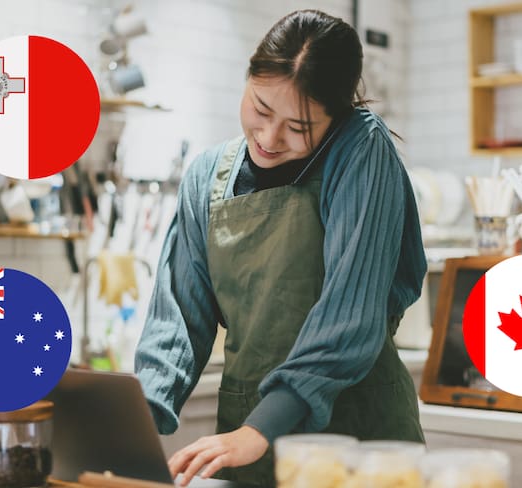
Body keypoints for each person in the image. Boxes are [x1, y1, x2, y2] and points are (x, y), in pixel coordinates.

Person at [135, 9, 427, 487]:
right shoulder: (206, 175)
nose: (270, 138)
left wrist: (261, 427)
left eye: (299, 126)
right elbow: (179, 321)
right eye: (261, 109)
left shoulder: (360, 149)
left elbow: (348, 318)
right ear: (248, 78)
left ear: (336, 116)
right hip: (243, 444)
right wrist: (136, 419)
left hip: (357, 442)